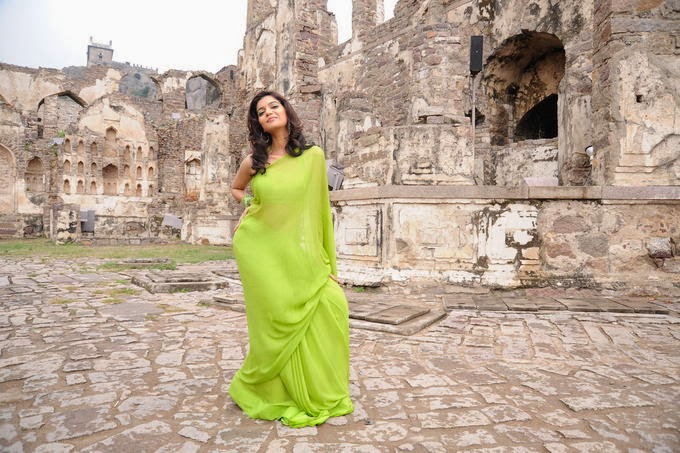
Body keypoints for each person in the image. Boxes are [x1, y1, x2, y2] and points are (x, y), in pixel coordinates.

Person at [228, 90, 354, 428]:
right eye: (261, 111)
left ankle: (317, 388)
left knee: (332, 305)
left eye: (274, 106)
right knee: (272, 321)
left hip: (297, 255)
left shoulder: (312, 157)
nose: (268, 112)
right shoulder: (255, 162)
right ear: (257, 122)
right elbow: (237, 189)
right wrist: (249, 206)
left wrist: (328, 265)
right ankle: (272, 388)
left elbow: (319, 214)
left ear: (286, 111)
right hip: (260, 252)